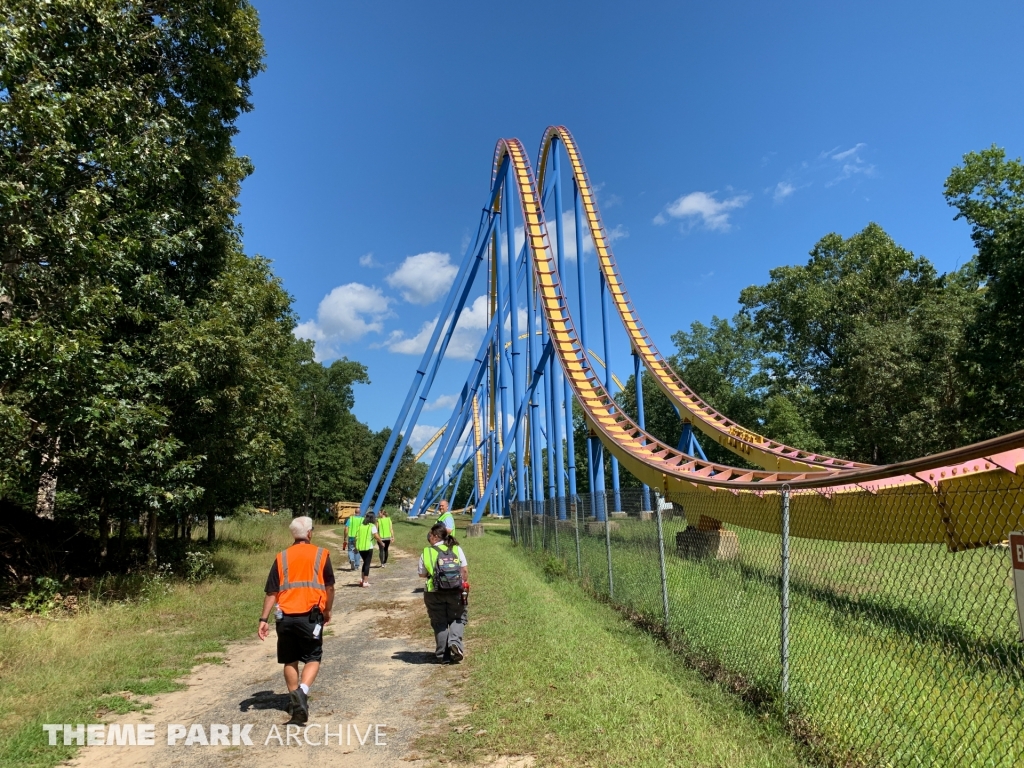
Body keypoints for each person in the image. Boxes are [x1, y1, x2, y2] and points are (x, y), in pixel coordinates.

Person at [258, 516, 334, 725]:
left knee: (289, 659)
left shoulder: (281, 557)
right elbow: (329, 587)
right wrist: (327, 610)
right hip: (311, 616)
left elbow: (272, 591)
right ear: (309, 533)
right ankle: (302, 692)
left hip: (285, 617)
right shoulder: (321, 554)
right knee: (312, 656)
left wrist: (263, 619)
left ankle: (295, 702)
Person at [418, 522, 468, 663]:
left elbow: (422, 574)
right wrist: (460, 584)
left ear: (434, 537)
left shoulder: (427, 552)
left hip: (433, 592)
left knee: (439, 621)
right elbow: (464, 571)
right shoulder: (457, 549)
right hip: (455, 591)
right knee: (459, 617)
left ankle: (443, 656)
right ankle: (455, 643)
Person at [355, 511, 384, 587]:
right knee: (367, 564)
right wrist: (381, 543)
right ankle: (366, 581)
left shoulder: (360, 526)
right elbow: (376, 536)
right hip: (368, 547)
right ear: (372, 518)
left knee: (365, 563)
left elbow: (356, 537)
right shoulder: (372, 526)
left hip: (360, 547)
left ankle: (362, 580)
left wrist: (355, 547)